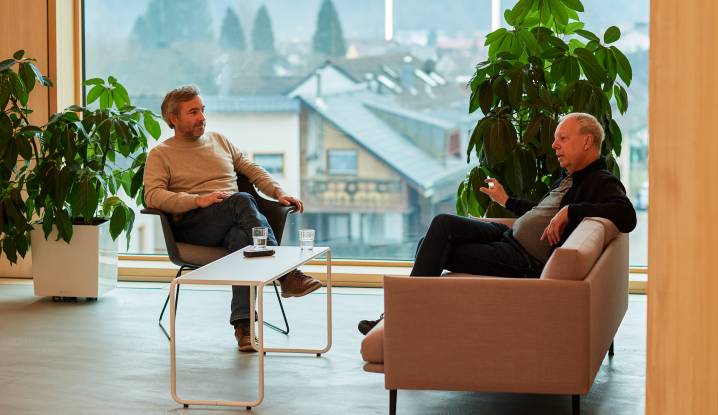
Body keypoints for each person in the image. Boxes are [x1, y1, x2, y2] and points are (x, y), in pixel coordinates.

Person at [358, 112, 637, 335]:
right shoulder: (569, 177)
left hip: (522, 259)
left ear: (587, 142)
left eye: (562, 138)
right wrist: (507, 201)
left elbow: (627, 215)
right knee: (440, 226)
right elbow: (541, 212)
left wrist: (571, 211)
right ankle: (401, 316)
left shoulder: (601, 181)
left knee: (432, 249)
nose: (554, 145)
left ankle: (397, 320)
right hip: (507, 235)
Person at [144, 85, 322, 352]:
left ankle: (244, 327)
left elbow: (251, 169)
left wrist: (278, 192)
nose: (202, 117)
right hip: (194, 225)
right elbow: (153, 196)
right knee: (240, 199)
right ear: (173, 118)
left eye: (202, 110)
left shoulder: (219, 140)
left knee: (243, 240)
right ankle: (285, 274)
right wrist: (197, 200)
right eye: (193, 112)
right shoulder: (161, 154)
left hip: (233, 220)